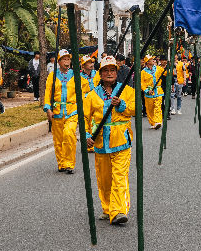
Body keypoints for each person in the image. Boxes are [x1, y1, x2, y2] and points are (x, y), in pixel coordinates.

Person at [85, 56, 135, 225]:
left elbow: (136, 108)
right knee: (105, 179)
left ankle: (119, 210)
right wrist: (86, 135)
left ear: (117, 72)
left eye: (112, 70)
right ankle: (107, 208)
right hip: (100, 143)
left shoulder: (126, 90)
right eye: (105, 70)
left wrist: (122, 105)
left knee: (120, 176)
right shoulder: (92, 95)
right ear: (100, 73)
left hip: (121, 140)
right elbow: (84, 117)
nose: (109, 73)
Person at [43, 49, 79, 173]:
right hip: (57, 112)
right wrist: (47, 108)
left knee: (69, 134)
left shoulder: (75, 75)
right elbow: (48, 92)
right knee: (58, 140)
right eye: (64, 59)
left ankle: (69, 163)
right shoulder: (52, 75)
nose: (67, 61)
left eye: (68, 59)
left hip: (72, 111)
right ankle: (62, 163)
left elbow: (86, 90)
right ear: (59, 61)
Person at [140, 55, 164, 129]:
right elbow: (141, 83)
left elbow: (166, 73)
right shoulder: (143, 72)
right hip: (149, 93)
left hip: (158, 91)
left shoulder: (158, 69)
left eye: (153, 59)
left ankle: (158, 121)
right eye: (151, 59)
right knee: (150, 109)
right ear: (147, 62)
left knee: (158, 107)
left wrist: (168, 68)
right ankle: (153, 123)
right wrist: (146, 90)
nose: (153, 60)